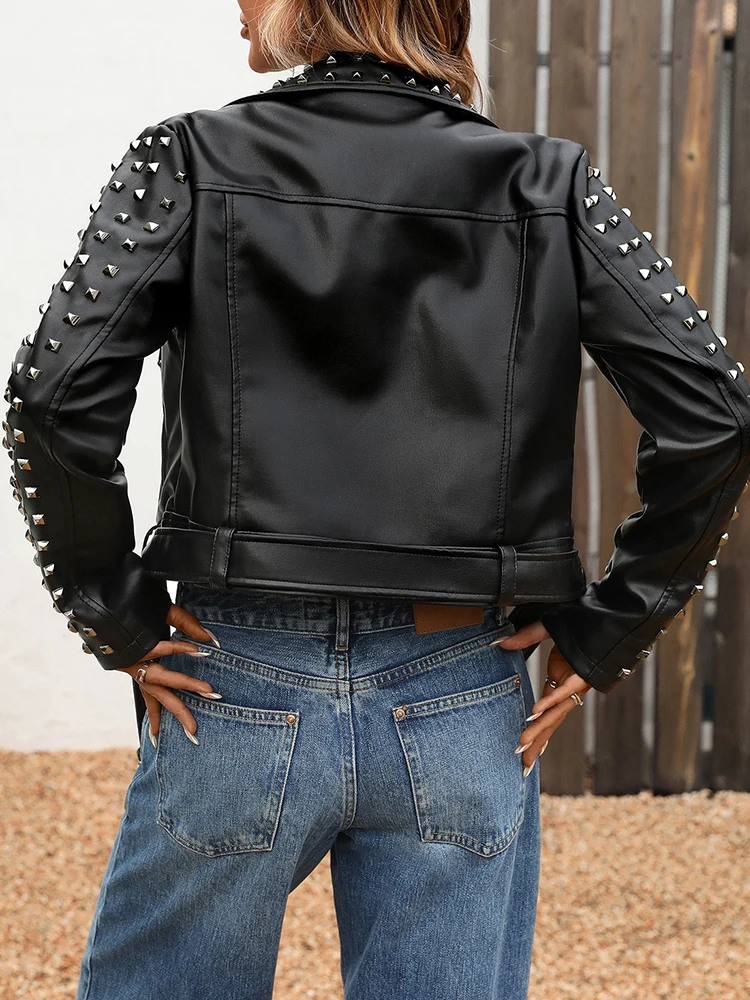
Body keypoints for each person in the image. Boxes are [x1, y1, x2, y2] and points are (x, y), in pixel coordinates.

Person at [5, 1, 750, 997]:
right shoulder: (548, 184)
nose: (237, 7)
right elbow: (715, 414)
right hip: (461, 682)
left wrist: (116, 611)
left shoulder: (191, 159)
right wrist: (612, 624)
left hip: (233, 676)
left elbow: (53, 393)